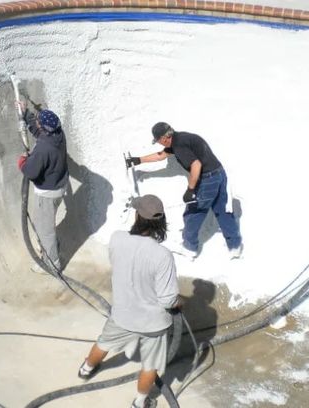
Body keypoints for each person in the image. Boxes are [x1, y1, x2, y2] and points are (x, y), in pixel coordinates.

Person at [77, 194, 181, 408]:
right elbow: (167, 300)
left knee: (103, 342)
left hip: (122, 315)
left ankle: (86, 369)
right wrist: (178, 303)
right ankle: (140, 402)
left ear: (137, 216)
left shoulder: (116, 238)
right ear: (161, 222)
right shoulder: (162, 256)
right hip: (152, 324)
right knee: (150, 364)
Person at [125, 122, 242, 260]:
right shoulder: (181, 139)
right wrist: (138, 160)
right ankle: (235, 247)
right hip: (219, 175)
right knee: (222, 211)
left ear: (164, 138)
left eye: (158, 141)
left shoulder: (179, 145)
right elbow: (160, 155)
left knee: (193, 213)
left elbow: (196, 165)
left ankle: (189, 248)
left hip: (208, 180)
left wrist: (190, 190)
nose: (159, 144)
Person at [17, 102, 68, 272]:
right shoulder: (58, 135)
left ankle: (52, 264)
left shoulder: (44, 149)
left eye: (38, 121)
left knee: (45, 230)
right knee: (47, 225)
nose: (36, 123)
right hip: (59, 187)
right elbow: (39, 131)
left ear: (45, 128)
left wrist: (23, 162)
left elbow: (30, 172)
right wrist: (26, 114)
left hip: (47, 194)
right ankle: (51, 247)